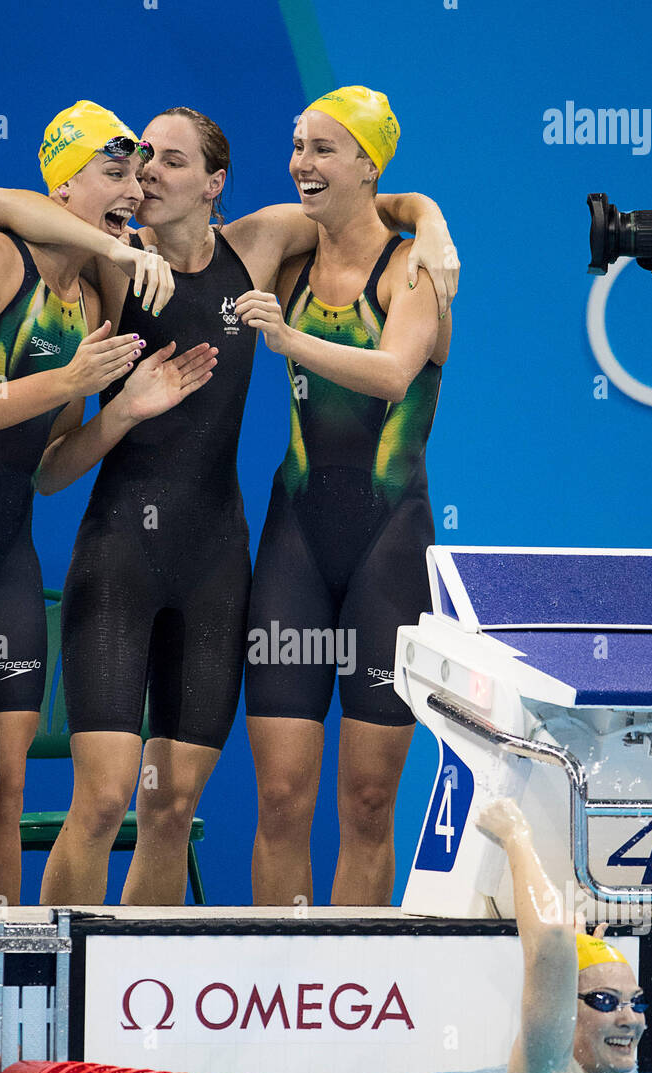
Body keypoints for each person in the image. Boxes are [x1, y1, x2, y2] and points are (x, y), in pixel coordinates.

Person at [0, 105, 458, 906]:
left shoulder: (261, 245)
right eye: (135, 163)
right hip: (122, 553)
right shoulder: (113, 266)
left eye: (168, 161)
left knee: (173, 806)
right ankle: (66, 990)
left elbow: (370, 205)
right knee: (106, 800)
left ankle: (161, 1007)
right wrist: (123, 402)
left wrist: (432, 220)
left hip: (219, 563)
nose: (146, 176)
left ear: (214, 182)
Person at [0, 100, 214, 907]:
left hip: (4, 547)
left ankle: (2, 1001)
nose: (133, 189)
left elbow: (51, 468)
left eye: (139, 174)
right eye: (114, 172)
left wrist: (121, 412)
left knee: (8, 792)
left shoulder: (90, 303)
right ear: (62, 187)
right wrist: (65, 381)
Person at [237, 87, 452, 907]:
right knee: (283, 799)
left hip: (388, 552)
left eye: (323, 149)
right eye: (296, 146)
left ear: (368, 165)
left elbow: (394, 373)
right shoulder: (286, 256)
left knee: (366, 803)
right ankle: (277, 988)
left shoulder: (418, 269)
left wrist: (288, 340)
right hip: (292, 546)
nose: (301, 163)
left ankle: (351, 993)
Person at [479, 799, 647, 1073]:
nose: (630, 1019)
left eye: (636, 1001)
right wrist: (515, 836)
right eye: (605, 1000)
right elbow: (552, 932)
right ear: (563, 1010)